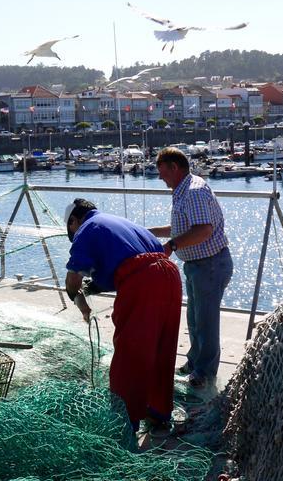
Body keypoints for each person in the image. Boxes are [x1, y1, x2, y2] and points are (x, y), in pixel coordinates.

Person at [63, 198, 182, 433]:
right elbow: (123, 265)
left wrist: (76, 298)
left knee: (130, 352)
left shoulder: (86, 229)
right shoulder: (117, 222)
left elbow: (72, 280)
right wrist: (95, 286)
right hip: (169, 274)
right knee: (161, 347)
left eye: (71, 230)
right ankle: (158, 411)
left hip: (143, 280)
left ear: (74, 221)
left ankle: (124, 422)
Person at [148, 147, 232, 390]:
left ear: (175, 167)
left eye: (162, 172)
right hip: (197, 265)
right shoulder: (182, 190)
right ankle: (195, 362)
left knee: (206, 320)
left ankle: (204, 373)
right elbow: (183, 226)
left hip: (211, 265)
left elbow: (203, 230)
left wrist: (172, 245)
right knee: (194, 318)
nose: (160, 178)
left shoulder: (193, 191)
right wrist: (153, 233)